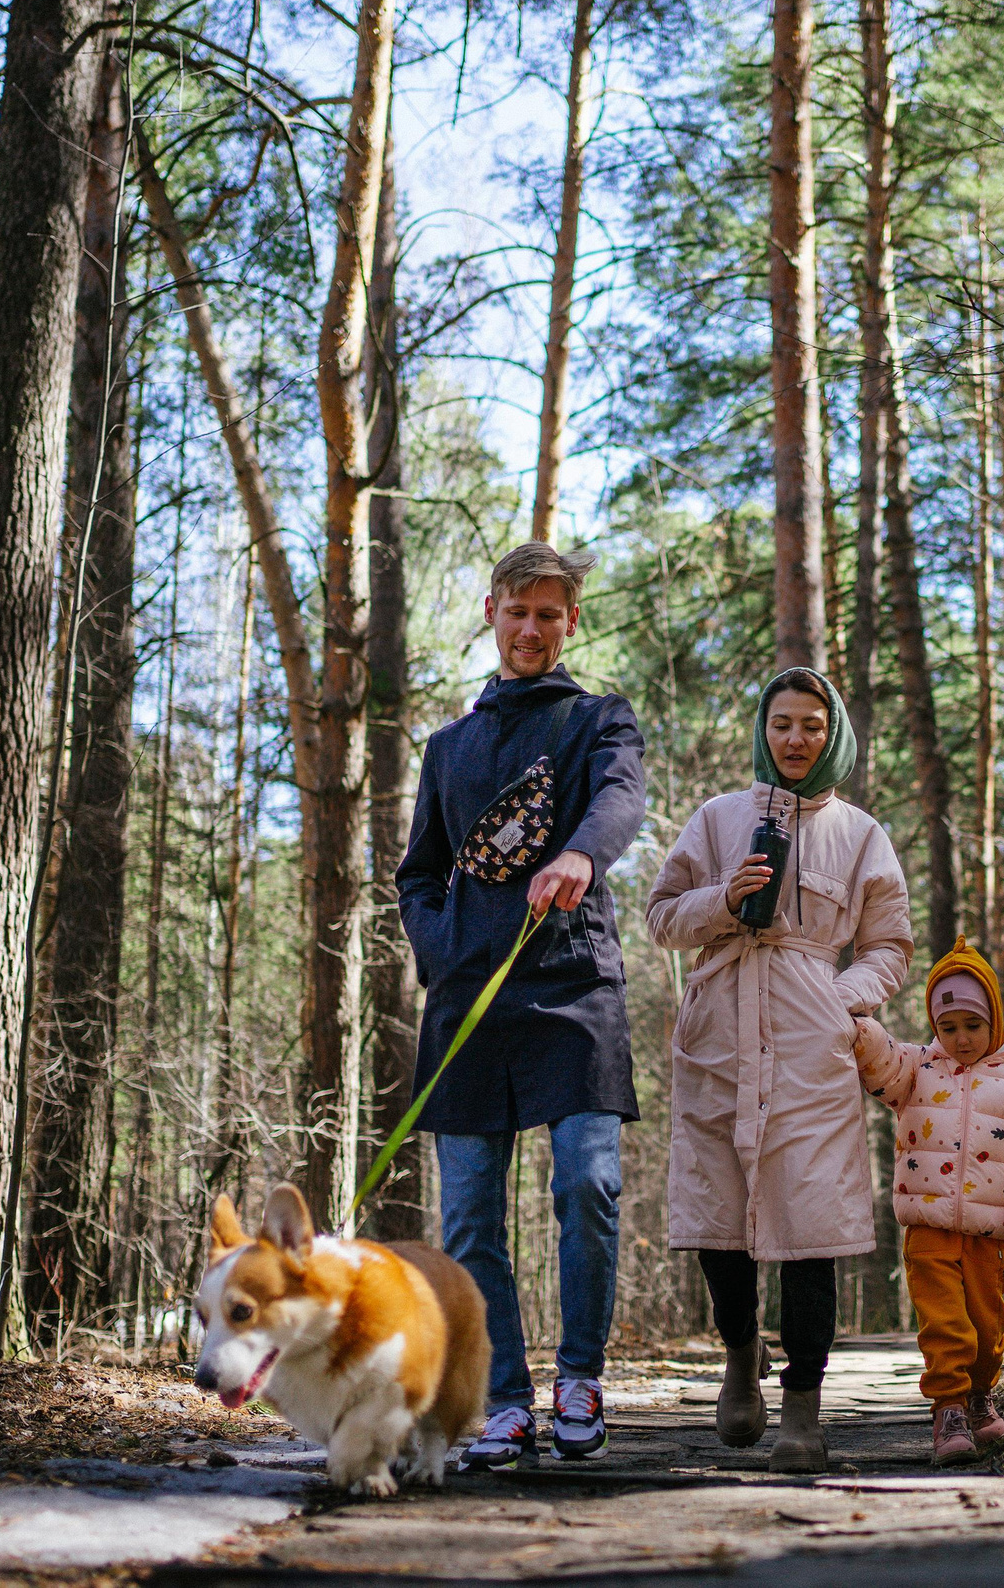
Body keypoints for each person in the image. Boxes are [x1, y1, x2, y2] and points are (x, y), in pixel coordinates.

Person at [397, 543, 646, 1468]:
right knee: (468, 1220)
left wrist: (581, 853)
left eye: (550, 614)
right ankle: (503, 1398)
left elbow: (622, 799)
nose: (532, 628)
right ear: (491, 611)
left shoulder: (597, 720)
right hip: (467, 1002)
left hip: (574, 986)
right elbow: (418, 872)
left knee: (586, 1182)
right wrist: (442, 950)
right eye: (518, 611)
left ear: (570, 621)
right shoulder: (448, 748)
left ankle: (579, 1373)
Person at [646, 667, 912, 1473]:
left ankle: (803, 1403)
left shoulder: (862, 833)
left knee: (810, 1223)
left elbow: (889, 945)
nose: (795, 738)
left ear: (833, 735)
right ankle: (738, 1356)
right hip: (720, 1027)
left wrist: (842, 1001)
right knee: (716, 1208)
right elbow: (661, 917)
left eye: (812, 725)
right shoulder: (718, 817)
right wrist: (725, 899)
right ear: (764, 729)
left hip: (810, 1038)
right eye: (783, 723)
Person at [851, 939, 1004, 1466]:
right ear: (934, 1026)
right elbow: (881, 1062)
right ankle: (947, 1409)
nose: (961, 1038)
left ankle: (978, 1398)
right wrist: (858, 1029)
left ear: (993, 1018)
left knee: (987, 1327)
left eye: (972, 1025)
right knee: (945, 1322)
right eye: (948, 1027)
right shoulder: (920, 1068)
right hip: (928, 1225)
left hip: (990, 1233)